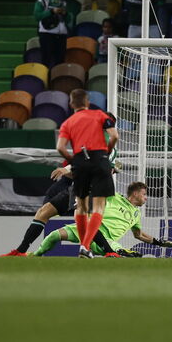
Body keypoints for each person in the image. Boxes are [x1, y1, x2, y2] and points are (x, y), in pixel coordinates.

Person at [31, 181, 172, 257]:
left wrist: (159, 242)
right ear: (136, 193)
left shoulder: (136, 214)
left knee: (114, 246)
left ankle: (122, 252)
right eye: (144, 194)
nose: (146, 198)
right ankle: (35, 255)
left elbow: (139, 235)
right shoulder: (115, 197)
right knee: (53, 235)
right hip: (89, 228)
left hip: (107, 238)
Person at [55, 88, 119, 258]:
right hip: (99, 158)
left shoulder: (68, 122)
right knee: (99, 206)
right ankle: (85, 245)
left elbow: (60, 147)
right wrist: (106, 152)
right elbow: (114, 136)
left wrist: (72, 160)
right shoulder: (99, 115)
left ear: (71, 104)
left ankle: (84, 247)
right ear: (87, 102)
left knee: (81, 207)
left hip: (80, 161)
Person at [35, 0, 74, 69]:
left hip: (61, 34)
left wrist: (65, 14)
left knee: (60, 60)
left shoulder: (63, 2)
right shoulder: (41, 1)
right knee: (46, 59)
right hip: (46, 33)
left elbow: (69, 20)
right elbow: (37, 16)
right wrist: (51, 11)